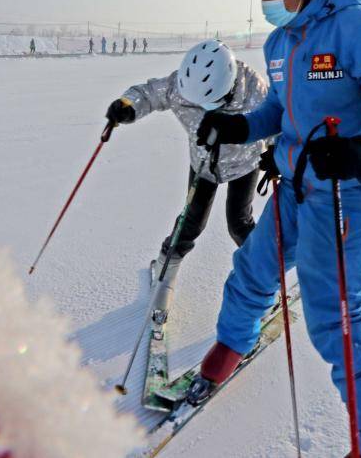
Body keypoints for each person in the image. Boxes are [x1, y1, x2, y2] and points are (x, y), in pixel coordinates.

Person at [191, 0, 361, 455]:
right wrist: (240, 127)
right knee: (251, 269)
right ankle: (230, 347)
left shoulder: (358, 28)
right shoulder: (281, 39)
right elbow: (279, 109)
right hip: (295, 184)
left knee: (333, 313)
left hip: (349, 190)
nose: (264, 7)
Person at [105, 40, 267, 318]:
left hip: (245, 163)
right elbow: (149, 93)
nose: (202, 107)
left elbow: (276, 118)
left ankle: (262, 279)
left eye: (211, 102)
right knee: (191, 222)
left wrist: (278, 152)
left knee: (239, 224)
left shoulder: (254, 87)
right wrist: (128, 104)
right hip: (203, 164)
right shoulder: (180, 85)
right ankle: (165, 272)